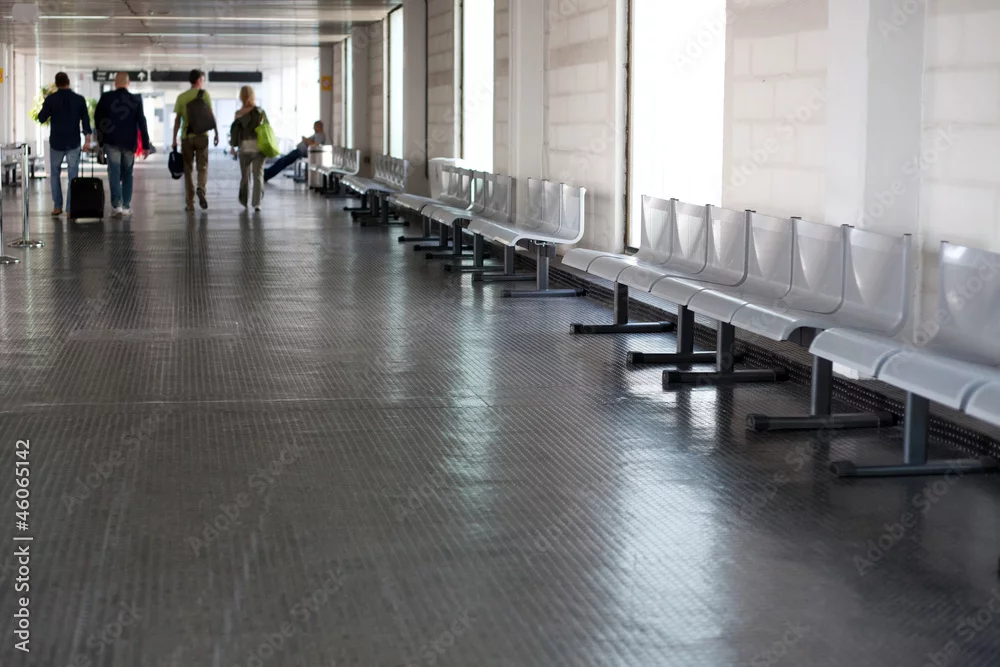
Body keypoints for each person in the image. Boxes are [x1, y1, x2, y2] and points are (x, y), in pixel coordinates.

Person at [94, 72, 152, 217]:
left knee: (114, 172)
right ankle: (126, 206)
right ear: (128, 83)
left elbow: (97, 119)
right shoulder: (135, 99)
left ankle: (117, 206)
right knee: (127, 173)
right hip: (129, 143)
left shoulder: (106, 97)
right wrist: (146, 145)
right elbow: (142, 122)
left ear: (115, 83)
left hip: (111, 141)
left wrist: (101, 139)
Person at [37, 72, 92, 216]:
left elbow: (41, 118)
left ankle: (57, 206)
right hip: (73, 142)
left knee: (55, 174)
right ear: (68, 82)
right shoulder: (79, 99)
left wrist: (46, 104)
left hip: (57, 142)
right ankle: (69, 209)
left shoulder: (51, 99)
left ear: (56, 84)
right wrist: (87, 140)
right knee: (73, 176)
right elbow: (85, 121)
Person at [171, 69, 219, 211]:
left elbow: (177, 120)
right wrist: (216, 133)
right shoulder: (205, 95)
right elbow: (211, 115)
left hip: (186, 137)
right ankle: (201, 189)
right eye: (202, 79)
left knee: (188, 170)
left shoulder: (181, 97)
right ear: (198, 80)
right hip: (202, 136)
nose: (203, 82)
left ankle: (190, 203)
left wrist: (174, 139)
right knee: (202, 167)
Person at [230, 86, 267, 212]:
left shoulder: (238, 114)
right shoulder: (260, 112)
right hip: (259, 148)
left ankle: (244, 201)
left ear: (241, 96)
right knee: (258, 176)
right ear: (253, 96)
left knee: (245, 177)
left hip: (244, 149)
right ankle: (257, 203)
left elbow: (234, 132)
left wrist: (232, 147)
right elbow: (266, 129)